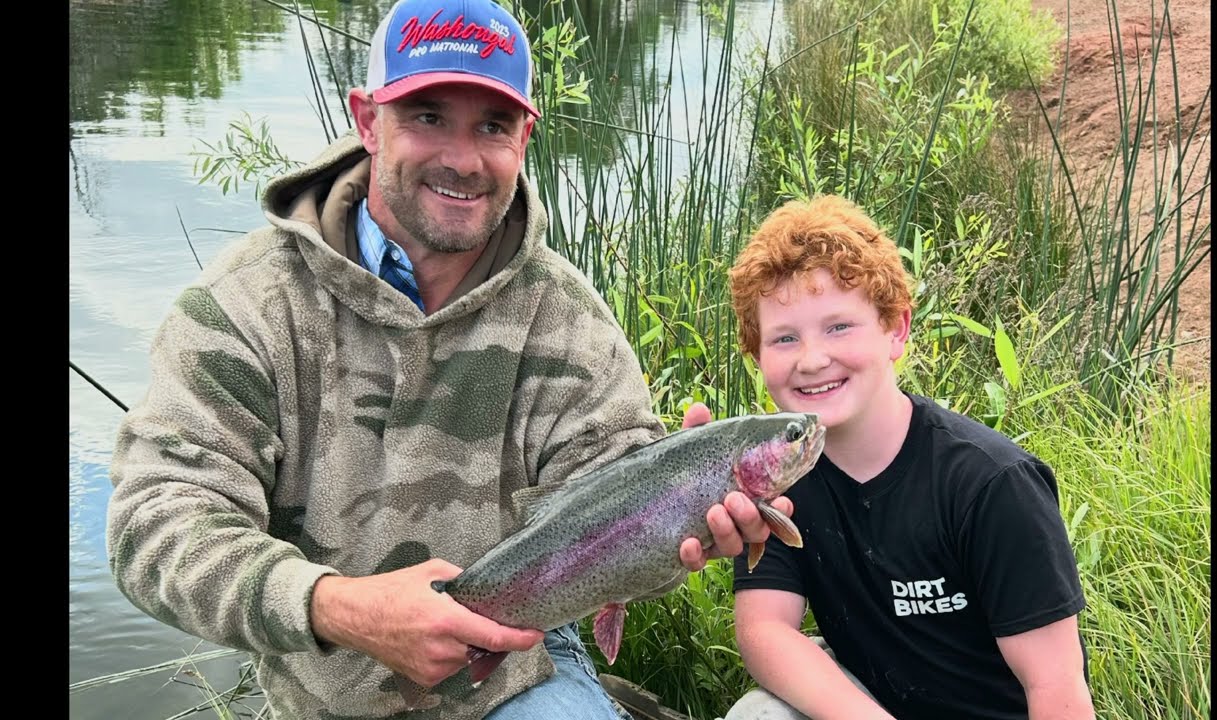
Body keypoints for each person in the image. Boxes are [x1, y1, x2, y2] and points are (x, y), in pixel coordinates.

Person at [104, 1, 781, 718]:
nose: (462, 159)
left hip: (516, 669)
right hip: (324, 693)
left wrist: (679, 508)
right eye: (428, 117)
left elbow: (607, 513)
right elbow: (155, 524)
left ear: (525, 137)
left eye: (492, 126)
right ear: (368, 121)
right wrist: (335, 607)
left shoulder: (566, 317)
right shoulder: (247, 304)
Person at [719, 194, 1095, 720]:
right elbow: (764, 628)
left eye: (838, 326)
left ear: (896, 330)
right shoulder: (777, 472)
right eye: (784, 338)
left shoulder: (992, 485)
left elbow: (1056, 687)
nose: (813, 359)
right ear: (757, 357)